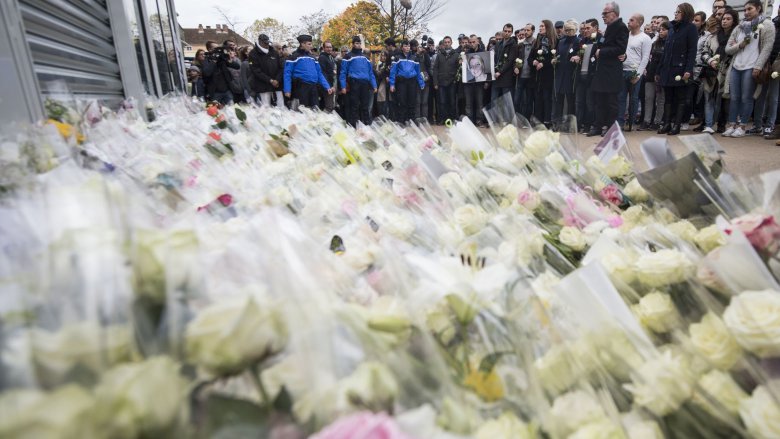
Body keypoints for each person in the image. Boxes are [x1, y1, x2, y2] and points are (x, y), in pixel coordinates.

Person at [723, 0, 774, 137]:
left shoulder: (767, 25)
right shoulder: (739, 27)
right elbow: (728, 49)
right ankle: (732, 124)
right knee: (734, 97)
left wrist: (758, 66)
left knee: (746, 97)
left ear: (758, 8)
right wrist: (740, 45)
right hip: (736, 65)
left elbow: (767, 48)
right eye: (744, 10)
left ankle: (742, 126)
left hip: (751, 66)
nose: (746, 12)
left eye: (749, 9)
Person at [587, 2, 629, 137]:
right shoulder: (608, 28)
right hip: (601, 71)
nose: (603, 16)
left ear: (614, 13)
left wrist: (602, 52)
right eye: (603, 13)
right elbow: (600, 46)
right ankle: (598, 126)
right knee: (599, 101)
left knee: (611, 102)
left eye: (605, 13)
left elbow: (620, 48)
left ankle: (610, 128)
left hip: (611, 72)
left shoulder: (621, 27)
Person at [657, 3, 698, 135]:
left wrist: (688, 70)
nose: (675, 13)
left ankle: (677, 125)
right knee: (668, 98)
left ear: (685, 13)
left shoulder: (691, 28)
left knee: (680, 98)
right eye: (675, 11)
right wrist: (659, 70)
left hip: (680, 69)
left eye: (678, 11)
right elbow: (666, 51)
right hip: (668, 68)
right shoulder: (672, 28)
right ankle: (667, 123)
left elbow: (692, 51)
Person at [617, 13, 652, 131]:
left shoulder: (645, 38)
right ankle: (620, 123)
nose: (628, 22)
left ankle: (630, 123)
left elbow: (645, 58)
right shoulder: (625, 36)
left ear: (639, 23)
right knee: (621, 98)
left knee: (633, 99)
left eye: (631, 20)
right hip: (622, 71)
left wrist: (638, 74)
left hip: (634, 72)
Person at [283, 34, 334, 110]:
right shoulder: (293, 57)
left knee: (315, 111)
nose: (311, 46)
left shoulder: (313, 57)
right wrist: (287, 90)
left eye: (311, 44)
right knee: (301, 112)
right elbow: (287, 74)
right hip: (300, 88)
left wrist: (327, 87)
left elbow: (319, 74)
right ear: (302, 44)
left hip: (313, 88)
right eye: (309, 44)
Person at [752, 2, 780, 139]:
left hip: (778, 63)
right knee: (760, 95)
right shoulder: (772, 23)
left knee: (773, 97)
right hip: (765, 61)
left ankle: (770, 124)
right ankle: (757, 125)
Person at [340, 36, 378, 126]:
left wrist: (374, 85)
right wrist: (343, 86)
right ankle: (354, 126)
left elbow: (370, 73)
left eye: (360, 43)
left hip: (365, 84)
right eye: (357, 43)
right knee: (354, 106)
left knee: (365, 106)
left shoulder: (365, 58)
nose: (359, 45)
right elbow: (343, 73)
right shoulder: (348, 56)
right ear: (353, 44)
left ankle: (367, 126)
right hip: (354, 83)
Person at [640, 20, 669, 130]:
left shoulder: (670, 43)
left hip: (662, 75)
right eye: (660, 29)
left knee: (660, 100)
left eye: (664, 30)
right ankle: (646, 121)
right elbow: (648, 57)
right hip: (650, 74)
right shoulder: (654, 43)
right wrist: (646, 68)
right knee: (648, 98)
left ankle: (657, 121)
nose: (661, 31)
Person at [390, 40, 426, 124]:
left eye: (408, 46)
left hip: (412, 82)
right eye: (405, 46)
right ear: (402, 47)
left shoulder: (414, 57)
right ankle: (402, 120)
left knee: (412, 101)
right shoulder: (397, 58)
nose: (407, 48)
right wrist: (392, 84)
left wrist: (421, 83)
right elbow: (393, 72)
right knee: (402, 101)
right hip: (401, 82)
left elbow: (418, 72)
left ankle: (411, 120)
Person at [529, 20, 558, 126]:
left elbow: (554, 58)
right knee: (537, 99)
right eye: (539, 26)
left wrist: (544, 63)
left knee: (547, 99)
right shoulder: (537, 41)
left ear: (548, 27)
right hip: (537, 76)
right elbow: (530, 57)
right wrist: (533, 61)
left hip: (548, 76)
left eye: (542, 26)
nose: (540, 28)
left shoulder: (555, 41)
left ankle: (547, 121)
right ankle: (538, 121)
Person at [553, 19, 580, 122]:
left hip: (570, 75)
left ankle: (570, 123)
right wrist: (555, 59)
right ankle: (557, 122)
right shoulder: (561, 42)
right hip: (560, 73)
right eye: (567, 29)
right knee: (558, 99)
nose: (568, 32)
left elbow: (580, 54)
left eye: (571, 29)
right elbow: (559, 54)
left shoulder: (578, 41)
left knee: (570, 100)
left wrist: (577, 57)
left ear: (575, 30)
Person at [576, 19, 600, 132]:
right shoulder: (582, 41)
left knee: (590, 102)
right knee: (579, 102)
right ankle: (579, 124)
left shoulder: (600, 40)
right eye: (584, 28)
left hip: (592, 76)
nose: (585, 30)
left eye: (588, 28)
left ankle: (590, 125)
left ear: (595, 28)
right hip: (581, 76)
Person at [248, 34, 285, 108]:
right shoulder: (253, 54)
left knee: (281, 106)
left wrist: (277, 80)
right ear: (260, 41)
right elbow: (256, 70)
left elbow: (281, 68)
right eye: (265, 43)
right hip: (263, 86)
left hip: (277, 85)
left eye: (268, 42)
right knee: (266, 108)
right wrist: (270, 80)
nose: (267, 44)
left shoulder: (274, 52)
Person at [432, 36, 460, 123]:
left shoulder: (456, 54)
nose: (447, 43)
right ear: (443, 44)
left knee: (452, 101)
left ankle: (452, 119)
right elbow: (435, 69)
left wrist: (456, 80)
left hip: (452, 82)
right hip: (441, 82)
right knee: (442, 102)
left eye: (448, 42)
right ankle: (442, 119)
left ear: (451, 43)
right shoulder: (439, 55)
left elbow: (459, 69)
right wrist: (435, 83)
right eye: (445, 42)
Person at [463, 37, 489, 126]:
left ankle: (479, 120)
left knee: (480, 102)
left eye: (474, 42)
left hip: (480, 82)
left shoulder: (483, 52)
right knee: (468, 103)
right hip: (469, 82)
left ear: (478, 42)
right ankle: (469, 121)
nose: (472, 43)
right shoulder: (466, 53)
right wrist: (461, 62)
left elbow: (487, 68)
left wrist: (487, 81)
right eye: (470, 42)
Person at [493, 23, 519, 103]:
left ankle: (507, 116)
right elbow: (495, 58)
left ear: (511, 33)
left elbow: (510, 61)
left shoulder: (513, 44)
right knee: (494, 101)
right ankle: (495, 116)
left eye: (509, 31)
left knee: (507, 103)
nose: (507, 33)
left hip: (506, 78)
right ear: (502, 31)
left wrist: (500, 72)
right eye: (505, 31)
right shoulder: (498, 44)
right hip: (496, 77)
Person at [515, 23, 536, 116]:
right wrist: (515, 67)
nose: (526, 32)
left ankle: (527, 120)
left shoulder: (536, 43)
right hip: (520, 76)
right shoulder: (521, 44)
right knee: (517, 100)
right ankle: (517, 119)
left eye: (528, 30)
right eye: (525, 30)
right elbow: (515, 59)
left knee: (528, 100)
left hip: (531, 76)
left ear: (533, 31)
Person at [319, 41, 338, 112]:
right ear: (323, 48)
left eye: (330, 47)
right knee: (329, 107)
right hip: (327, 87)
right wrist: (329, 86)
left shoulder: (331, 57)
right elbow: (323, 73)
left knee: (330, 106)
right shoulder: (322, 58)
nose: (329, 49)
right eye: (327, 47)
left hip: (332, 85)